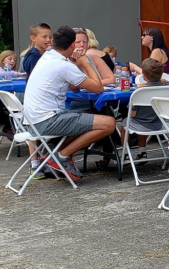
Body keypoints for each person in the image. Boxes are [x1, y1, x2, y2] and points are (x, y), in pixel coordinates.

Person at [23, 25, 117, 181]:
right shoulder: (63, 65)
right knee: (109, 123)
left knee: (85, 117)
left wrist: (74, 63)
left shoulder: (48, 56)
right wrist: (85, 62)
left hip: (32, 120)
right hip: (47, 121)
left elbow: (74, 85)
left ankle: (55, 155)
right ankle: (61, 156)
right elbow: (99, 88)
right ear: (72, 45)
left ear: (54, 42)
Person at [119, 57, 169, 161]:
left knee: (126, 123)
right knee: (139, 120)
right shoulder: (167, 86)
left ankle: (125, 153)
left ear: (143, 76)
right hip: (161, 123)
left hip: (143, 125)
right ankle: (142, 152)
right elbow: (164, 81)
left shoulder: (140, 92)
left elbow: (132, 115)